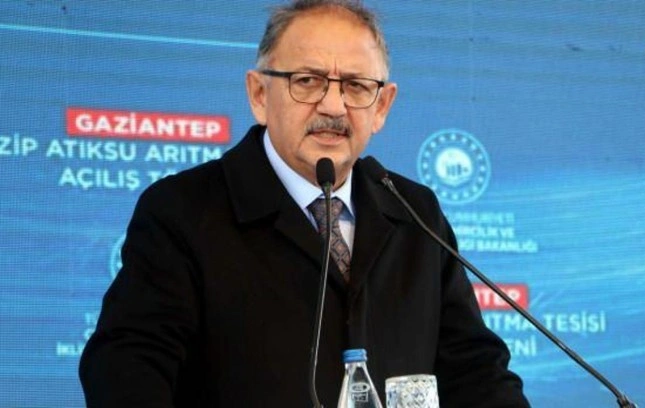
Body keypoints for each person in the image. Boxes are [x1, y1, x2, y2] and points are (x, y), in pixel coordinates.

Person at [79, 0, 530, 406]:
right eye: (308, 81)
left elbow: (475, 371)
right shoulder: (183, 211)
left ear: (382, 106)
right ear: (259, 95)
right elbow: (127, 371)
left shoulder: (415, 212)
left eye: (356, 85)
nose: (333, 106)